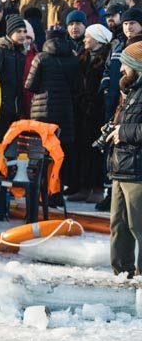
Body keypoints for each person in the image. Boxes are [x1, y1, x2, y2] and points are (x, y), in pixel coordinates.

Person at [26, 26, 80, 192]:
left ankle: (41, 192)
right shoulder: (73, 59)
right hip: (65, 114)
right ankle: (56, 191)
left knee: (41, 154)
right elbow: (78, 87)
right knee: (60, 154)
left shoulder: (40, 58)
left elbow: (30, 85)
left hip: (42, 115)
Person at [105, 42, 142, 278]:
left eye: (125, 65)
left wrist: (123, 132)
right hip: (120, 167)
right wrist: (113, 128)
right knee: (118, 226)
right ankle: (122, 272)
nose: (121, 70)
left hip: (138, 170)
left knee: (138, 226)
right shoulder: (129, 91)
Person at [70, 24, 112, 203]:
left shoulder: (106, 58)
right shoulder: (83, 57)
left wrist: (92, 103)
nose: (85, 39)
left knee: (95, 151)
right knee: (83, 149)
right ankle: (84, 186)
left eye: (88, 36)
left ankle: (96, 187)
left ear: (98, 39)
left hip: (97, 110)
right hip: (82, 108)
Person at [0, 14, 31, 139]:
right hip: (1, 108)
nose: (23, 35)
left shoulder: (20, 53)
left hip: (16, 108)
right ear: (10, 32)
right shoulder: (0, 52)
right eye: (18, 31)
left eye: (24, 31)